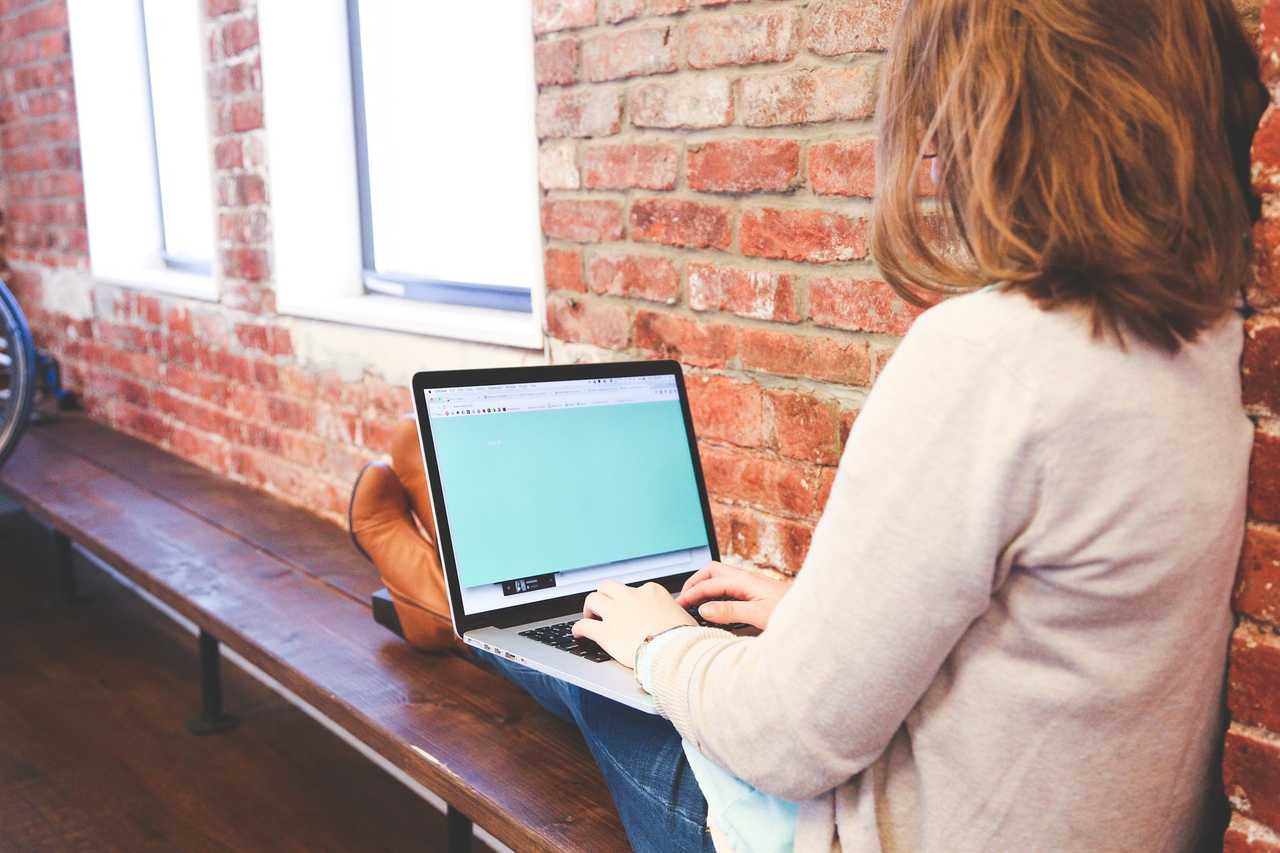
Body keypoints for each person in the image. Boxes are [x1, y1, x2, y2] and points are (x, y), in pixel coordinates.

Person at [349, 0, 1269, 849]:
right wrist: (814, 624)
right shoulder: (1222, 348)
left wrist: (662, 640)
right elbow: (1048, 647)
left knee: (612, 675)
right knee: (638, 630)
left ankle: (443, 596)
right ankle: (462, 596)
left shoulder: (994, 356)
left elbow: (787, 744)